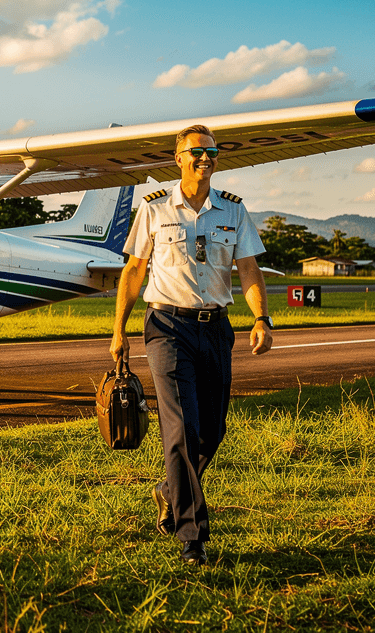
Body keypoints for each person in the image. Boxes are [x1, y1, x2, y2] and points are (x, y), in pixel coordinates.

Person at [109, 124, 274, 566]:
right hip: (167, 325)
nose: (206, 158)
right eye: (197, 152)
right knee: (180, 427)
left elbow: (249, 270)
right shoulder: (155, 210)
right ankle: (192, 537)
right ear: (178, 158)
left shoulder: (233, 211)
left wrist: (261, 318)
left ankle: (169, 490)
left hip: (216, 328)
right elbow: (133, 271)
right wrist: (119, 329)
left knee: (211, 431)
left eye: (212, 152)